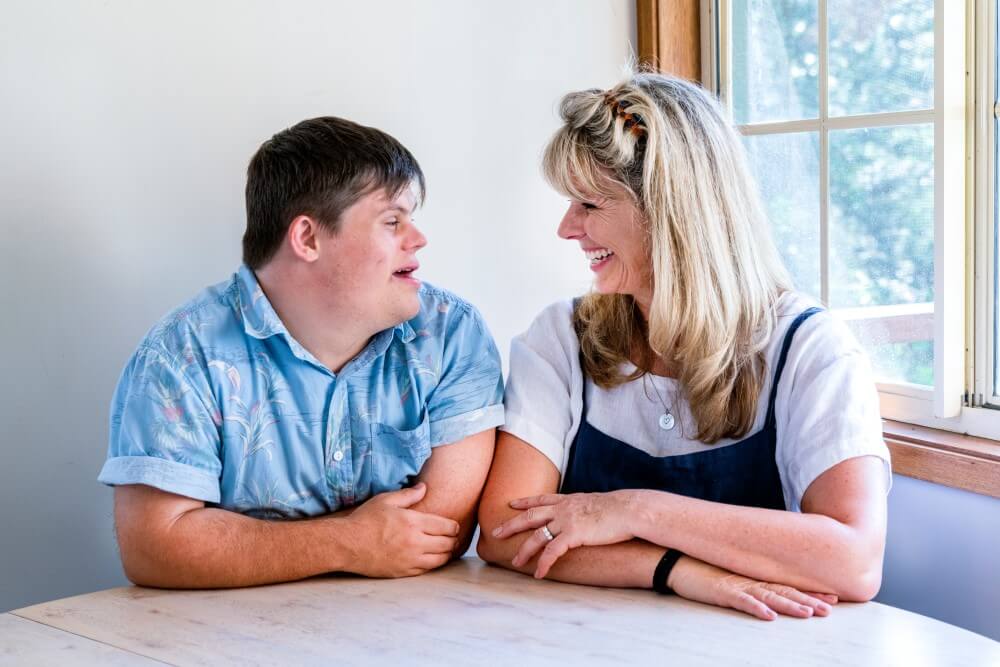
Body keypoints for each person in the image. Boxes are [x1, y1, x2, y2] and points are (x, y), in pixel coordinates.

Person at [477, 73, 890, 621]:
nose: (567, 228)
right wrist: (680, 571)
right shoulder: (559, 337)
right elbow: (506, 537)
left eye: (589, 205)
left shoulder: (809, 348)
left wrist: (634, 511)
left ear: (670, 211)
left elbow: (854, 563)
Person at [100, 117, 504, 588]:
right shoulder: (181, 355)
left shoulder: (452, 333)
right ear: (308, 238)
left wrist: (237, 544)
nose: (417, 239)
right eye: (392, 220)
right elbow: (156, 547)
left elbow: (435, 533)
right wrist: (347, 541)